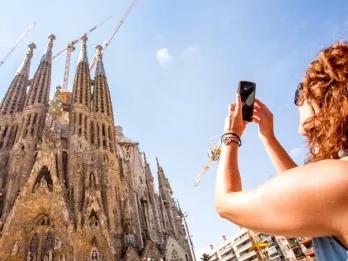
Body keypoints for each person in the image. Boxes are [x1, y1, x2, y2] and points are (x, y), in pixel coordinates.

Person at [215, 42, 348, 260]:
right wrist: (268, 138)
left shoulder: (340, 183)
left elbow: (225, 203)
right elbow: (307, 194)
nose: (302, 133)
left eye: (300, 92)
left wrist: (231, 135)